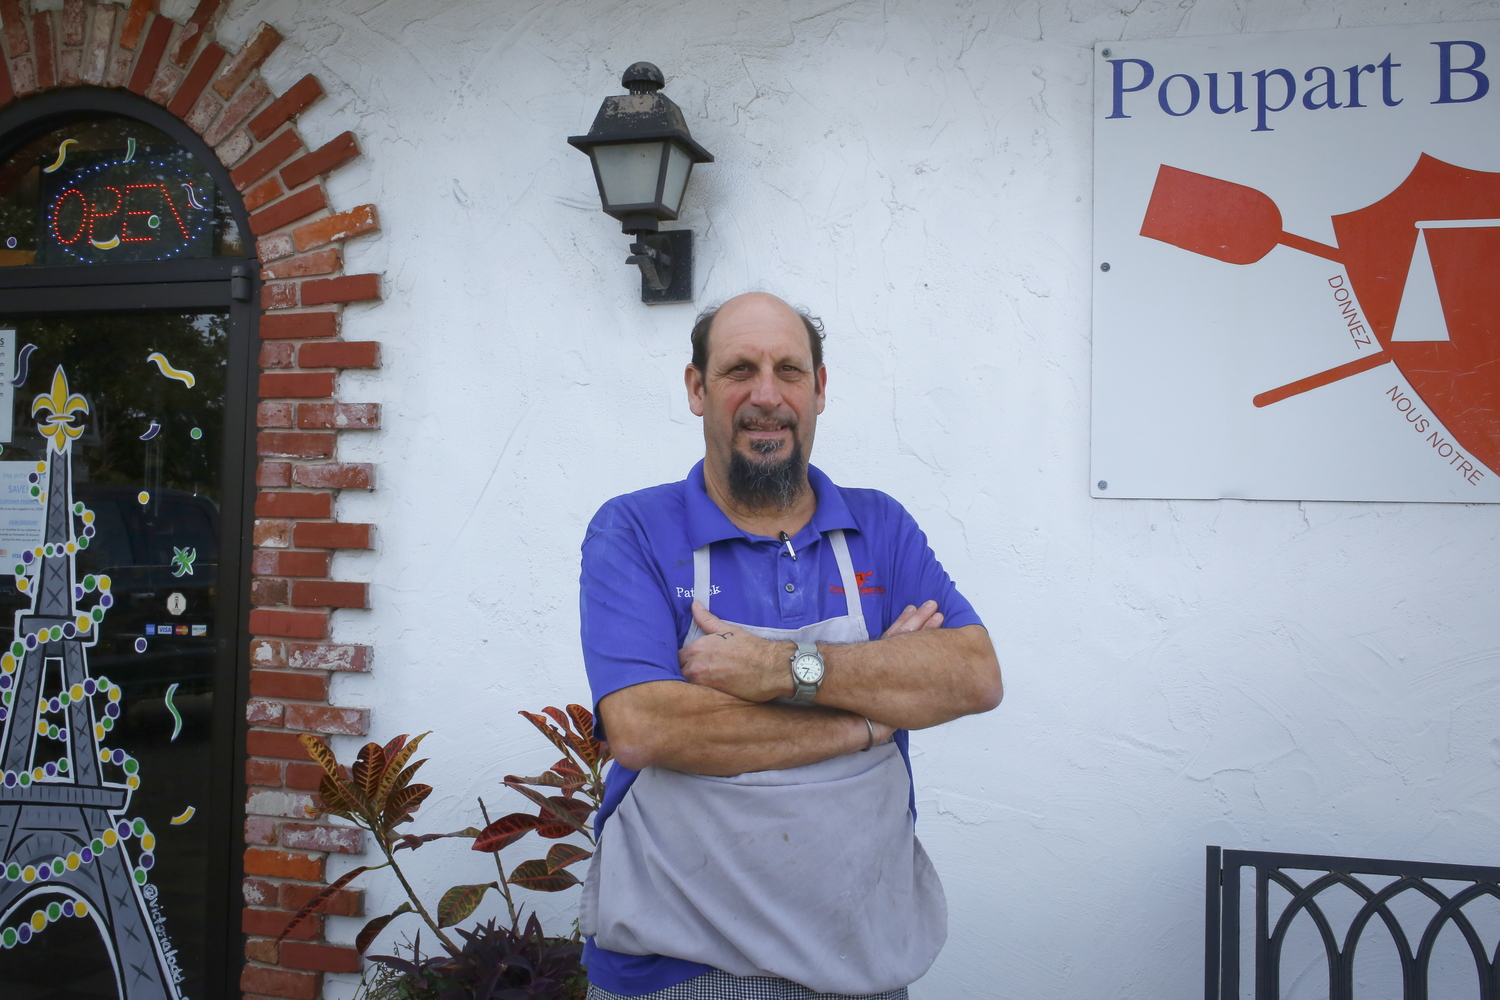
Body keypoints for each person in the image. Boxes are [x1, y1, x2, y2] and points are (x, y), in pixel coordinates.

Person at [577, 292, 1003, 1000]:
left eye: (790, 371)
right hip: (679, 968)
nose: (766, 395)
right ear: (696, 389)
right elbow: (646, 728)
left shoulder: (880, 527)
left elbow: (972, 675)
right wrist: (866, 719)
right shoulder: (634, 530)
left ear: (821, 389)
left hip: (861, 961)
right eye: (740, 369)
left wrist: (779, 669)